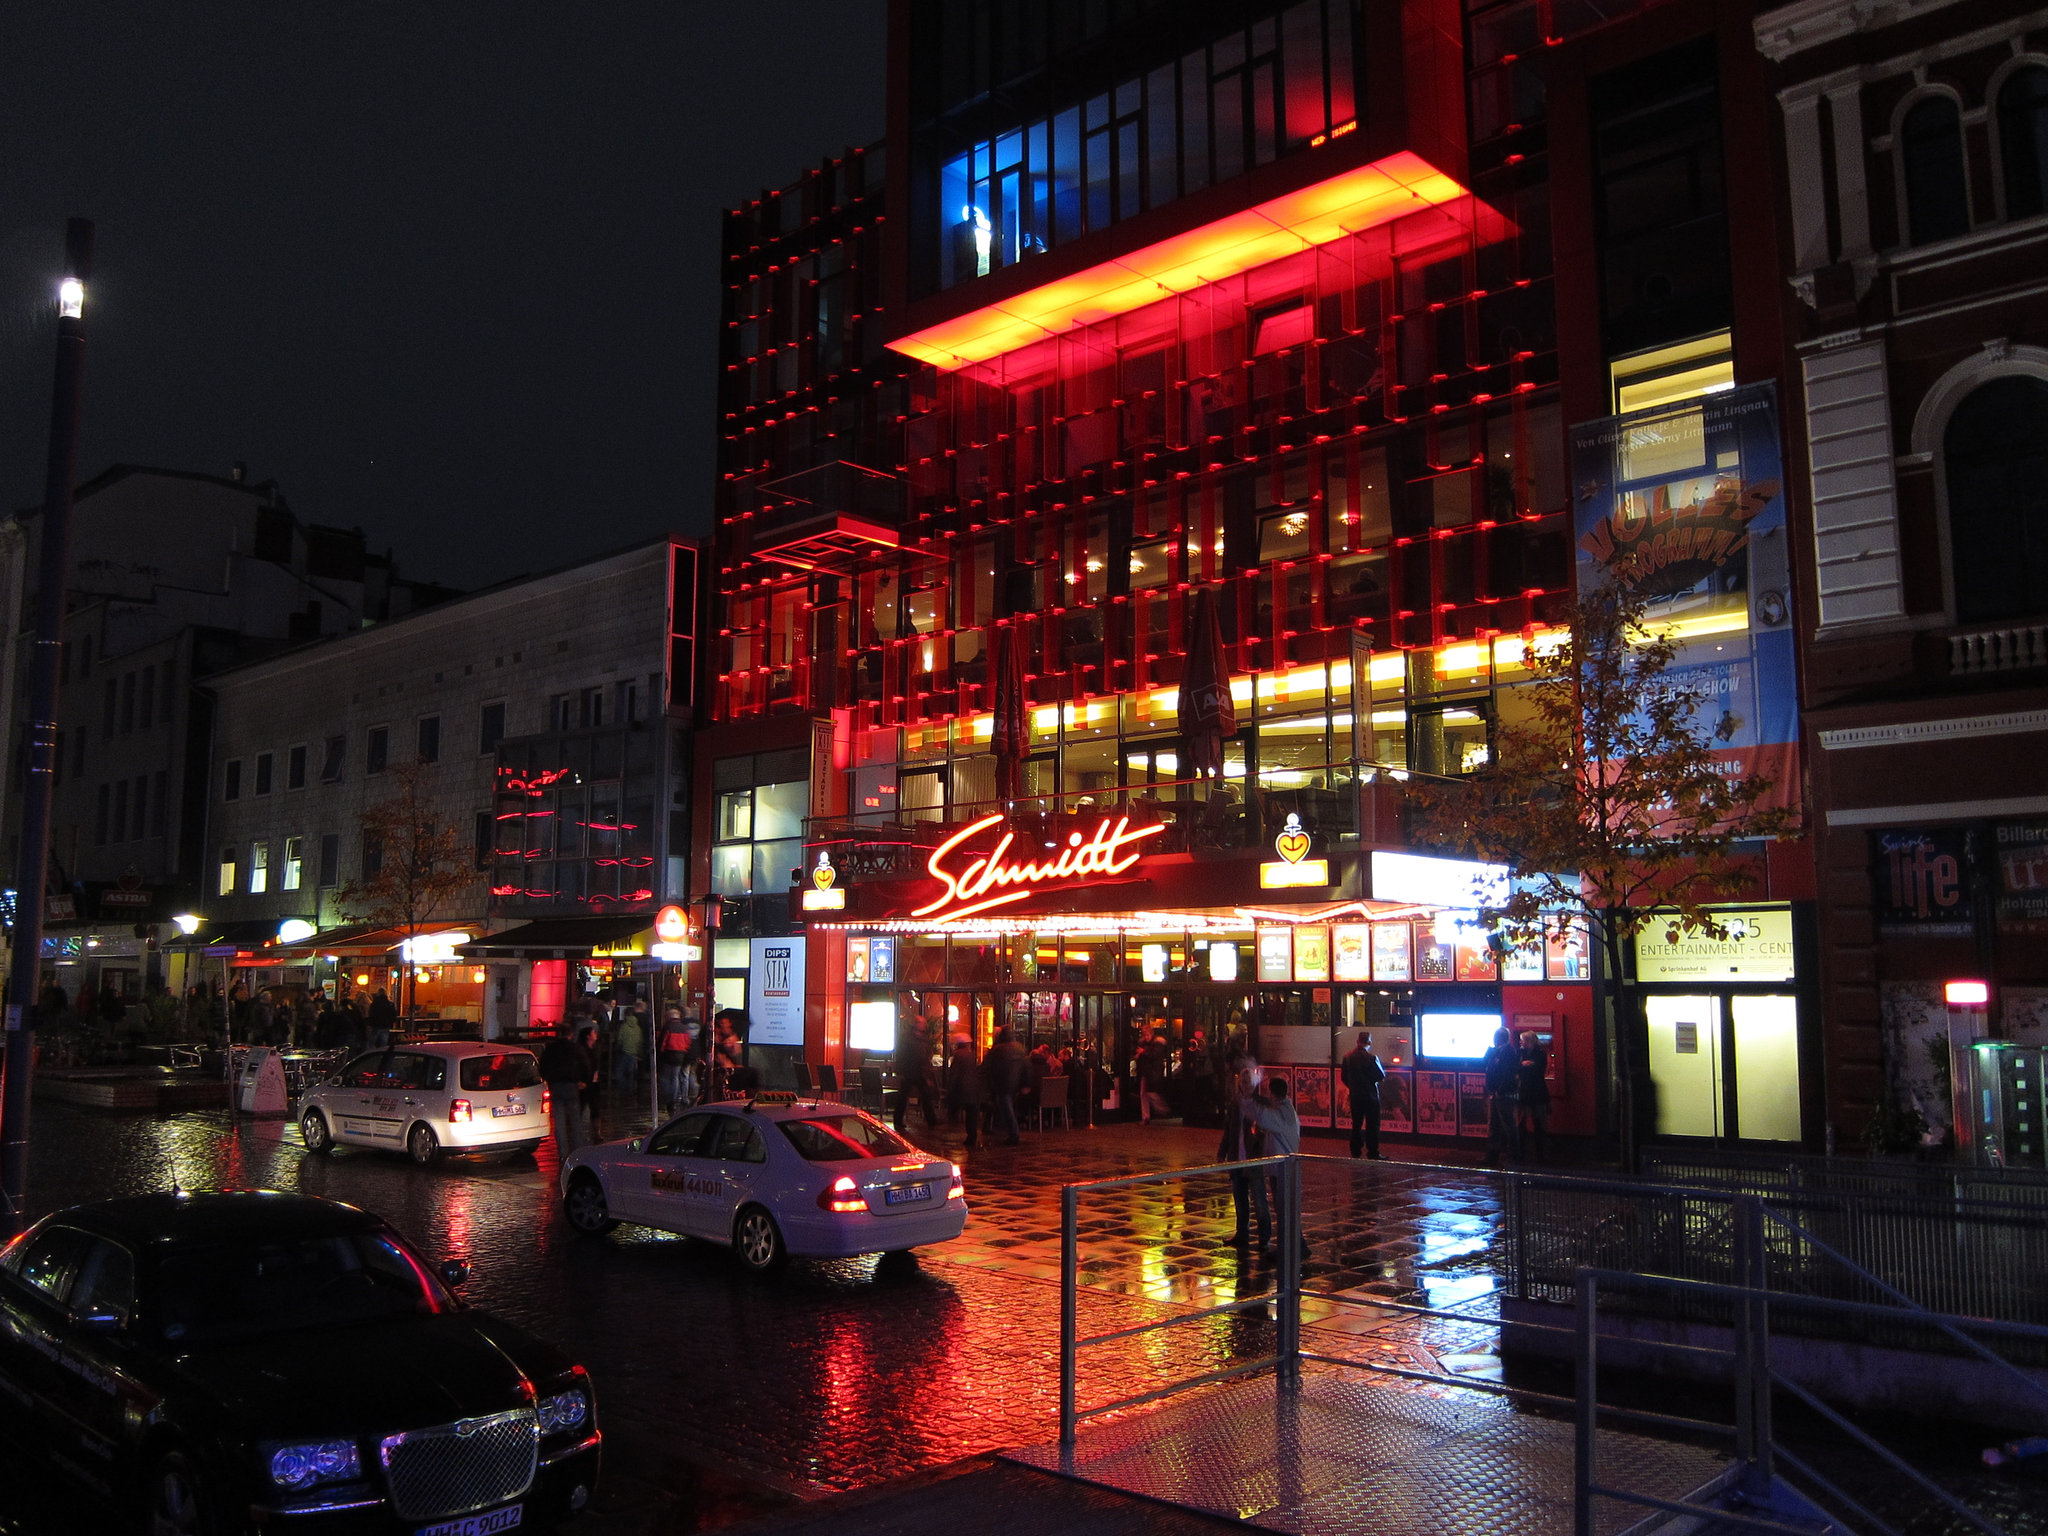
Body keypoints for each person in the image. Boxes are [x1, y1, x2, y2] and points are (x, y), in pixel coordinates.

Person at [1245, 1074, 1310, 1261]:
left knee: (1284, 1209)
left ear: (1273, 1094)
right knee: (1285, 1209)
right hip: (1283, 1167)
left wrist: (1248, 1096)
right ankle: (1297, 1244)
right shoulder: (1285, 1110)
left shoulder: (1282, 1113)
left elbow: (1261, 1115)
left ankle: (1290, 1247)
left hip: (1283, 1169)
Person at [1219, 1050, 1270, 1250]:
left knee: (1259, 1200)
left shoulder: (1260, 1104)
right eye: (1243, 1081)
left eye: (1249, 1081)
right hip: (1237, 1158)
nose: (1245, 1085)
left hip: (1253, 1159)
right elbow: (1228, 1130)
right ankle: (1242, 1233)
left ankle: (1264, 1237)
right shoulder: (1236, 1104)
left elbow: (1265, 1131)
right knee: (1240, 1201)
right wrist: (1222, 1153)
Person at [539, 1028, 592, 1159]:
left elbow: (542, 1066)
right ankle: (578, 1151)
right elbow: (586, 1065)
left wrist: (548, 1079)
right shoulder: (575, 1048)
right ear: (571, 1034)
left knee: (559, 1120)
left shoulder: (550, 1049)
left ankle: (562, 1152)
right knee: (575, 1120)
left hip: (556, 1085)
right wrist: (585, 1081)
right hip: (571, 1085)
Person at [1340, 1031, 1387, 1159]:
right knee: (1372, 1124)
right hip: (1370, 1096)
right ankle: (1372, 1152)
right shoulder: (1372, 1058)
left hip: (1355, 1096)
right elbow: (1381, 1076)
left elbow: (1344, 1077)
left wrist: (1354, 1087)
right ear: (1369, 1042)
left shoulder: (1347, 1057)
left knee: (1356, 1123)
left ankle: (1355, 1150)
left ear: (1357, 1041)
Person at [893, 1011, 939, 1133]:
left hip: (915, 1071)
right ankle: (930, 1119)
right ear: (917, 1024)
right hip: (912, 1071)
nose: (924, 1025)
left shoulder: (912, 1038)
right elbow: (905, 1055)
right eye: (922, 1023)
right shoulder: (918, 1039)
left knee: (916, 1095)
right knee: (912, 1095)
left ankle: (930, 1119)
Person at [1482, 1026, 1523, 1163]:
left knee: (1508, 1125)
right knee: (1495, 1125)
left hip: (1503, 1094)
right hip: (1496, 1093)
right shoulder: (1498, 1051)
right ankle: (1493, 1155)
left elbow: (1507, 1074)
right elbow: (1484, 1063)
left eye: (1496, 1037)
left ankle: (1513, 1156)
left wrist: (1499, 1090)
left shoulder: (1509, 1052)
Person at [984, 1027, 1027, 1145]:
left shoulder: (998, 1050)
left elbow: (987, 1067)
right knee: (1007, 1107)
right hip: (1015, 1083)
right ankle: (1008, 1131)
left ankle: (1013, 1134)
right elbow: (1026, 1066)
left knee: (1006, 1108)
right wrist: (1025, 1082)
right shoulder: (1019, 1048)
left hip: (1002, 1083)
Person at [946, 1036, 986, 1149]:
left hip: (962, 1087)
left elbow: (955, 1073)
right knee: (972, 1113)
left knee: (960, 1110)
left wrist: (951, 1087)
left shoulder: (958, 1055)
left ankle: (966, 1134)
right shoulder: (971, 1055)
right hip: (973, 1088)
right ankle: (972, 1135)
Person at [1518, 1031, 1552, 1161]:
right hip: (1530, 1092)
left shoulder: (1539, 1054)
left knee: (1538, 1123)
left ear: (1529, 1041)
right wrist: (1524, 1065)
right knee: (1523, 1123)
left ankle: (1540, 1153)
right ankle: (1524, 1151)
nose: (1521, 1043)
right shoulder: (1523, 1054)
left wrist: (1523, 1066)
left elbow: (1537, 1070)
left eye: (1523, 1040)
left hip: (1535, 1093)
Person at [1139, 1031, 1172, 1123]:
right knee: (1144, 1094)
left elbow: (1154, 1056)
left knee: (1151, 1093)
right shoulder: (1144, 1044)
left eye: (1147, 1035)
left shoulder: (1157, 1044)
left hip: (1152, 1073)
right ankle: (1145, 1116)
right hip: (1146, 1072)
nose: (1146, 1037)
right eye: (1144, 1035)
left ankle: (1162, 1108)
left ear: (1151, 1034)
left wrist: (1144, 1052)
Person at [615, 1006, 645, 1101]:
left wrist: (617, 1048)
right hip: (633, 1053)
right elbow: (640, 1041)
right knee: (630, 1073)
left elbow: (620, 1039)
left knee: (619, 1072)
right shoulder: (638, 1028)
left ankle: (622, 1090)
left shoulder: (623, 1026)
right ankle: (630, 1091)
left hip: (624, 1052)